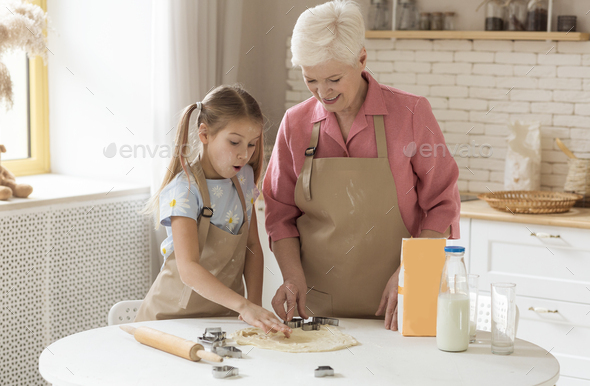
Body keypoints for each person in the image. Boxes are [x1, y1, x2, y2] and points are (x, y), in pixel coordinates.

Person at [263, 0, 461, 331]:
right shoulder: (294, 123)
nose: (322, 93)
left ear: (362, 59)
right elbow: (279, 213)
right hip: (317, 311)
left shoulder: (411, 114)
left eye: (334, 79)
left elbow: (442, 204)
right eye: (310, 80)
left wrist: (412, 272)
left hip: (402, 303)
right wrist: (292, 277)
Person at [135, 85, 291, 337]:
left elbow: (252, 247)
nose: (244, 154)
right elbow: (188, 268)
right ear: (204, 134)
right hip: (169, 322)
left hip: (223, 319)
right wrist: (244, 305)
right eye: (234, 142)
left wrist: (253, 309)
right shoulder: (184, 190)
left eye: (252, 144)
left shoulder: (244, 178)